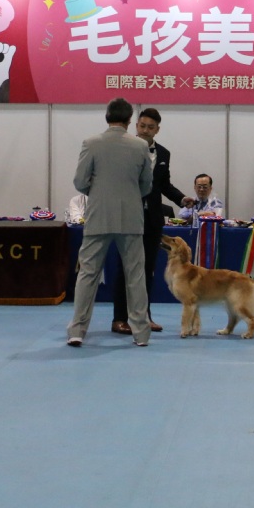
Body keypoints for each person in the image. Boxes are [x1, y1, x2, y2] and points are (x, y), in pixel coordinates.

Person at [66, 98, 153, 347]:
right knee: (135, 275)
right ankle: (141, 333)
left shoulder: (91, 143)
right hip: (131, 217)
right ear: (129, 120)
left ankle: (77, 330)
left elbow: (79, 181)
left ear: (107, 117)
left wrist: (98, 191)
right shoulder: (140, 146)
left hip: (98, 216)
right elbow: (146, 185)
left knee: (88, 274)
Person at [110, 107, 191, 335]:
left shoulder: (163, 153)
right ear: (136, 126)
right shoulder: (122, 148)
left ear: (157, 130)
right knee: (125, 268)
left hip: (153, 219)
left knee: (148, 269)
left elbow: (164, 184)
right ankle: (119, 318)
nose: (146, 130)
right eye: (142, 126)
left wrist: (181, 199)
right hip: (127, 216)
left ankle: (144, 316)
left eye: (151, 127)